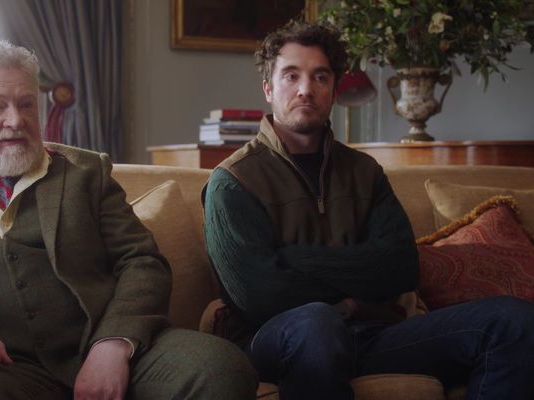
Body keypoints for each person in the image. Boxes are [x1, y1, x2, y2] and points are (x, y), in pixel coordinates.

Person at [0, 41, 258, 400]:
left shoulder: (87, 171)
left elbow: (142, 261)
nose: (16, 120)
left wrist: (114, 343)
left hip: (107, 346)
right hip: (3, 370)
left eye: (26, 104)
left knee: (221, 368)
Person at [203, 21, 534, 400]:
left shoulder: (364, 171)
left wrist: (296, 259)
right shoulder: (233, 181)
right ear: (268, 88)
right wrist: (353, 295)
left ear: (334, 90)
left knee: (513, 320)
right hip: (276, 341)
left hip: (373, 337)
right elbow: (260, 297)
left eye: (320, 77)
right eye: (291, 76)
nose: (305, 89)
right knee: (317, 323)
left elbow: (401, 266)